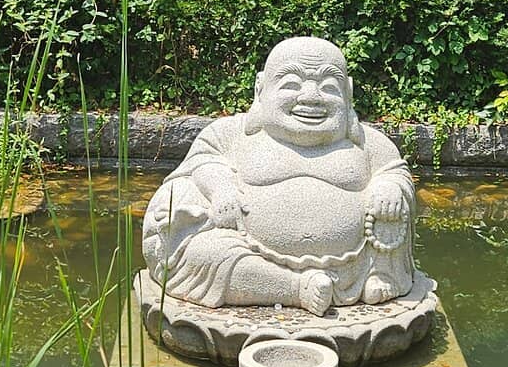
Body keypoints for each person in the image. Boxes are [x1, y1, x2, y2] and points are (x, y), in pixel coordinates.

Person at [141, 37, 416, 311]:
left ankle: (379, 274)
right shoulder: (231, 134)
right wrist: (220, 188)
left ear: (348, 93)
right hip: (246, 253)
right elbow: (200, 162)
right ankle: (294, 288)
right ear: (261, 89)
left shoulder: (368, 144)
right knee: (204, 252)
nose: (311, 97)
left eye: (329, 87)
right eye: (291, 85)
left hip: (354, 264)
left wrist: (389, 187)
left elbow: (394, 171)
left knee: (393, 212)